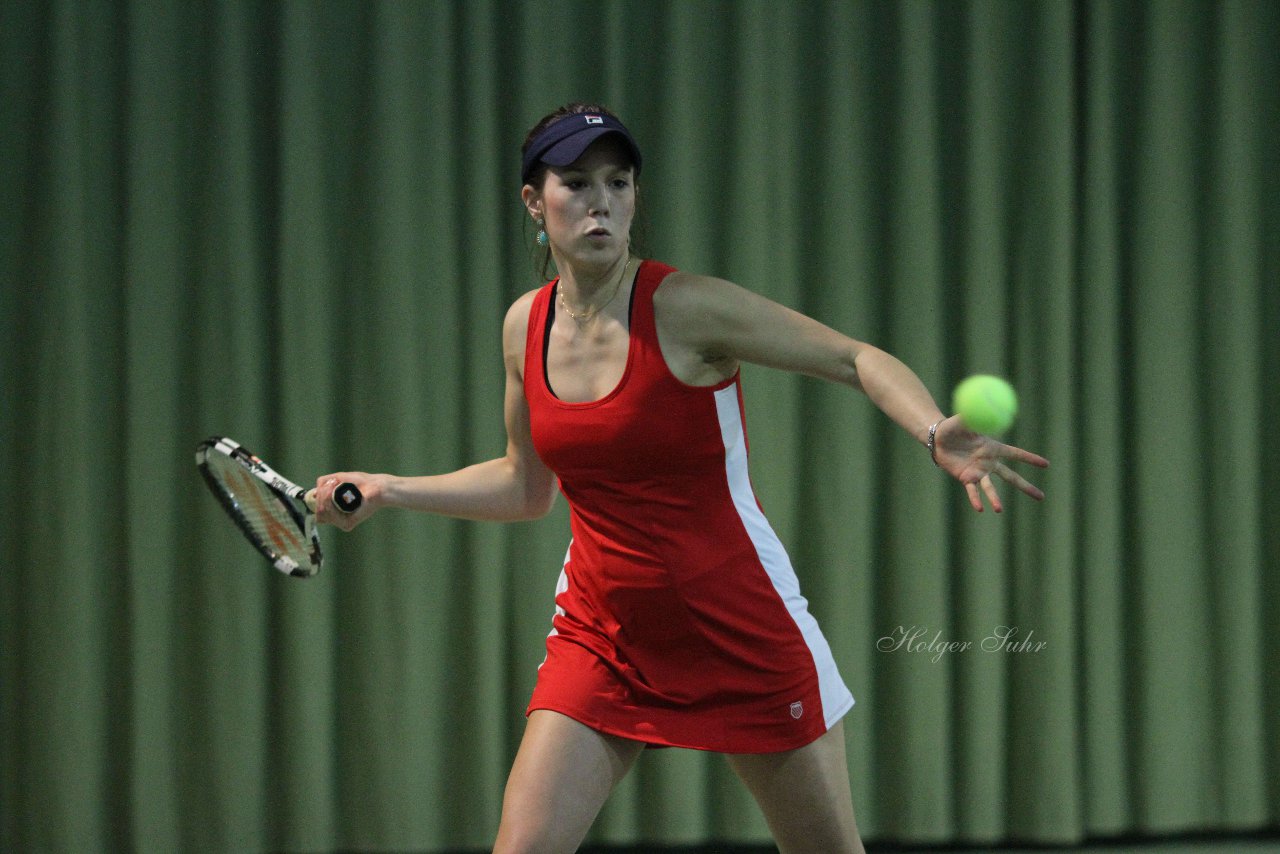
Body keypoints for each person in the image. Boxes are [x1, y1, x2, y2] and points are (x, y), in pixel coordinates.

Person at [314, 102, 1049, 854]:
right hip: (602, 633)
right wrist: (390, 488)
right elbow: (524, 486)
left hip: (741, 623)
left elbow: (852, 357)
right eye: (576, 182)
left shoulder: (687, 307)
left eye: (619, 181)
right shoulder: (522, 327)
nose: (601, 200)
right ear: (535, 202)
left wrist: (932, 432)